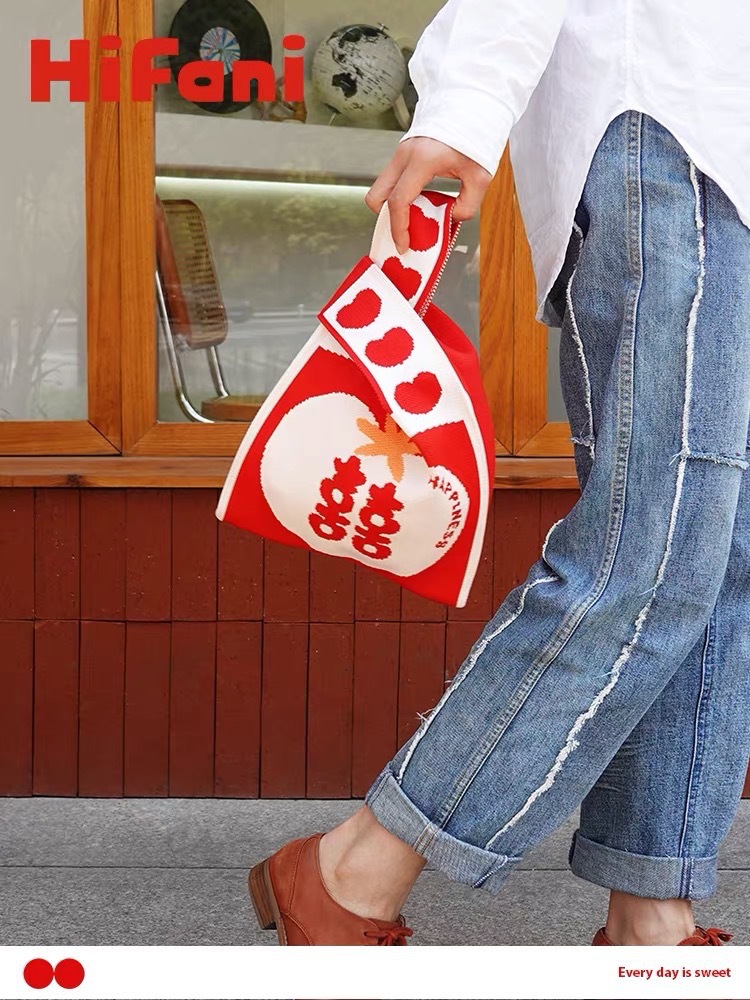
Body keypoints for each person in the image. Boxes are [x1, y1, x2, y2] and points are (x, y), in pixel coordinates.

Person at [248, 0, 750, 948]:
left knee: (719, 563)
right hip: (674, 140)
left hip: (721, 164)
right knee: (649, 556)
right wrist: (467, 104)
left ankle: (650, 904)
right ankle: (354, 864)